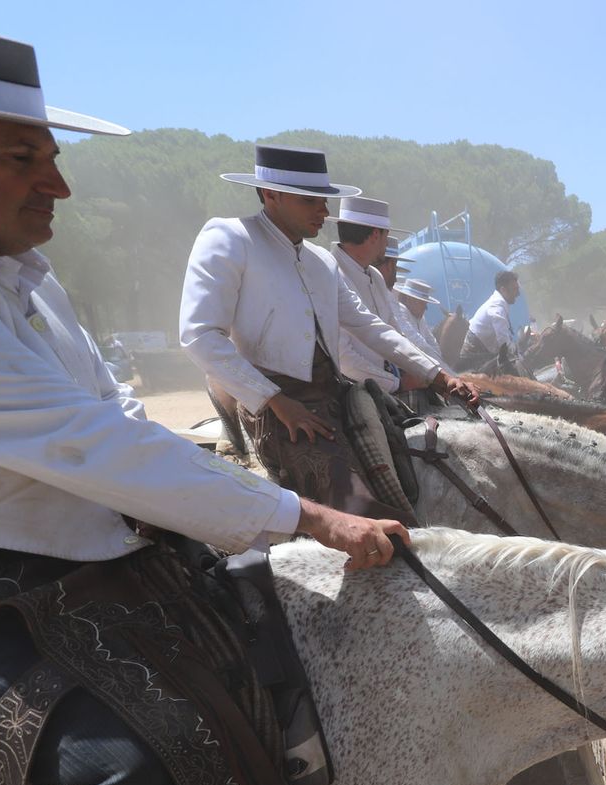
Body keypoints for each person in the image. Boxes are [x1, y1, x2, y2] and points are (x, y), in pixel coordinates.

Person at [0, 30, 408, 785]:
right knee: (107, 759)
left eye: (51, 154)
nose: (58, 185)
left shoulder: (26, 277)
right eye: (21, 156)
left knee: (268, 642)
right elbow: (89, 436)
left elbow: (109, 401)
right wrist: (304, 511)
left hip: (97, 547)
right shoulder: (223, 241)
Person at [180, 145, 479, 516]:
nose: (324, 211)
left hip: (337, 395)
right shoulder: (230, 239)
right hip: (278, 408)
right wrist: (275, 400)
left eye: (324, 200)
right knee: (364, 512)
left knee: (426, 459)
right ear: (271, 194)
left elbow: (366, 325)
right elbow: (199, 335)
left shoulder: (321, 261)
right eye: (311, 201)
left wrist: (437, 376)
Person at [327, 195, 431, 393]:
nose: (386, 244)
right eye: (386, 236)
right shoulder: (330, 274)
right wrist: (396, 383)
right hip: (349, 392)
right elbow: (343, 357)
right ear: (375, 235)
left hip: (381, 386)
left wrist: (429, 372)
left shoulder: (374, 276)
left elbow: (394, 334)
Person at [464, 268, 519, 365]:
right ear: (503, 290)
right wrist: (517, 353)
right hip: (474, 351)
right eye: (514, 289)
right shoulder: (497, 308)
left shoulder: (500, 304)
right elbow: (503, 343)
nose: (518, 294)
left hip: (483, 348)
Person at [393, 277, 446, 362]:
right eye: (422, 303)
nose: (426, 308)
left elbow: (431, 340)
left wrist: (440, 360)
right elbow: (416, 341)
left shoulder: (420, 318)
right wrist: (438, 363)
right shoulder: (399, 311)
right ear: (410, 299)